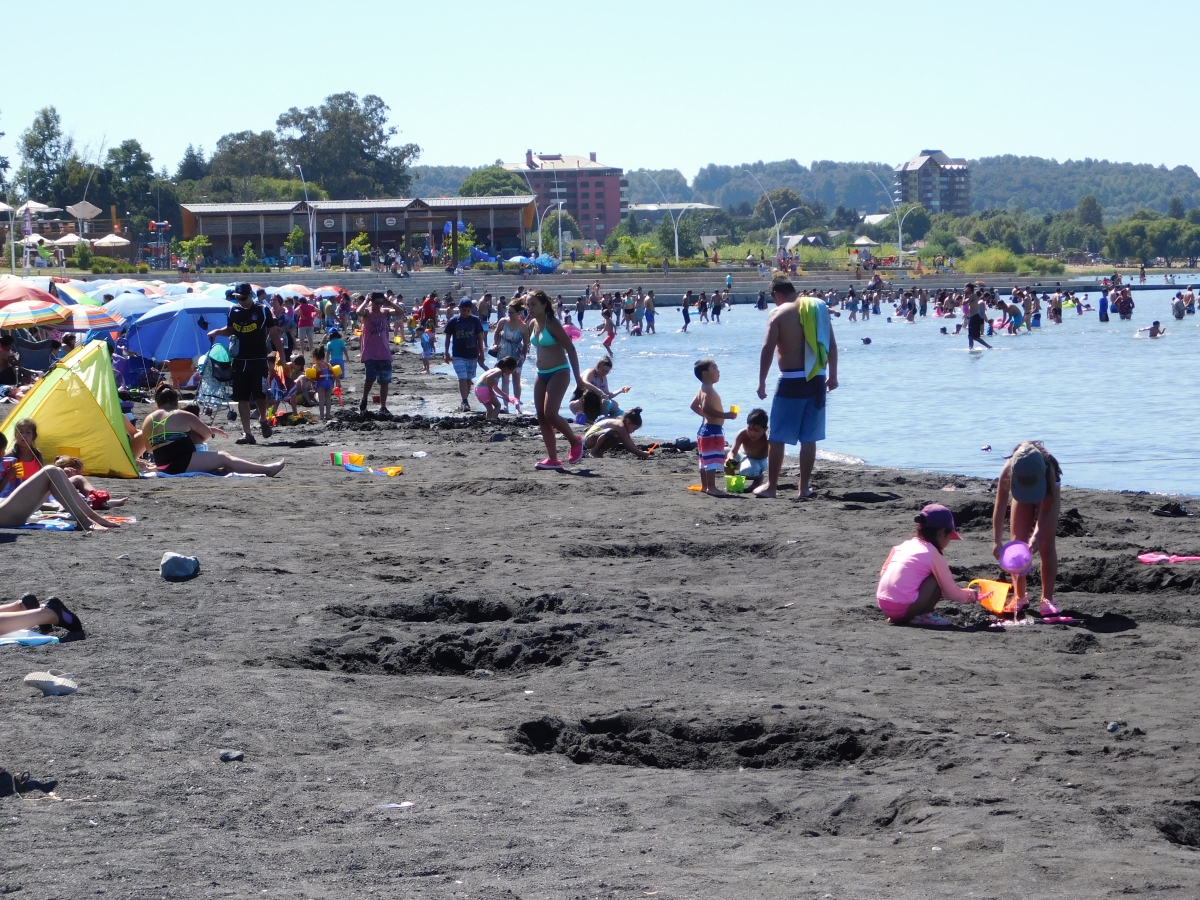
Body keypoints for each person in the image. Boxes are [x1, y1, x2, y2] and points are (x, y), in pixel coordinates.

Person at [753, 275, 838, 499]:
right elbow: (831, 345)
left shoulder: (779, 313)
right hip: (817, 379)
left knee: (778, 437)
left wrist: (761, 381)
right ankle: (804, 488)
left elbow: (767, 349)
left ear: (777, 294)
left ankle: (771, 487)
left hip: (791, 380)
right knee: (809, 437)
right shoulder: (818, 309)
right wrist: (833, 376)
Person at [141, 385, 284, 477]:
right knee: (224, 457)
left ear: (158, 403)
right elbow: (207, 434)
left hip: (162, 464)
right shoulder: (182, 415)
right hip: (179, 464)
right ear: (176, 402)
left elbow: (149, 449)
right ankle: (266, 470)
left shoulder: (148, 420)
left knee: (215, 459)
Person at [876, 504, 981, 627]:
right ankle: (922, 616)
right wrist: (973, 595)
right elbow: (951, 593)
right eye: (949, 536)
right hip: (903, 608)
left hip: (883, 603)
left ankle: (898, 616)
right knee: (936, 579)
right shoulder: (932, 553)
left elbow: (884, 571)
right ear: (942, 533)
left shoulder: (903, 545)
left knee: (920, 576)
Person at [207, 283, 284, 444]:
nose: (241, 301)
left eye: (243, 298)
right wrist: (217, 332)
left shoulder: (262, 310)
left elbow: (273, 333)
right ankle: (247, 433)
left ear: (250, 295)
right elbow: (230, 330)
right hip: (239, 360)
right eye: (238, 298)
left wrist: (281, 355)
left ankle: (263, 419)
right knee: (241, 397)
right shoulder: (233, 311)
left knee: (260, 395)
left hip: (258, 359)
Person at [991, 441, 1062, 617]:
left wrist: (1037, 535)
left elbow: (1046, 508)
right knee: (1018, 542)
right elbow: (1000, 507)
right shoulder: (1009, 470)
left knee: (1046, 543)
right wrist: (997, 541)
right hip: (1021, 488)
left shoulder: (1049, 471)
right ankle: (1019, 596)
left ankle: (1047, 599)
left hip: (1046, 492)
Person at [527, 289, 594, 470]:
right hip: (541, 373)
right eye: (527, 304)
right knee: (541, 416)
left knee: (550, 413)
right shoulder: (533, 323)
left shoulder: (553, 323)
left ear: (543, 305)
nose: (529, 308)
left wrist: (578, 378)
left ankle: (575, 441)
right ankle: (553, 459)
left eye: (533, 304)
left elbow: (571, 349)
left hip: (559, 371)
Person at [0, 462, 124, 531]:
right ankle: (84, 520)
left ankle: (91, 516)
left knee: (56, 471)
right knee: (51, 471)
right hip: (4, 516)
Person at [690, 359, 737, 495]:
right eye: (714, 368)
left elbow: (693, 406)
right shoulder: (709, 390)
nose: (718, 371)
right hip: (712, 431)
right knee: (711, 460)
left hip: (704, 430)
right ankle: (711, 487)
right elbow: (706, 407)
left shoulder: (702, 388)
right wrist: (725, 415)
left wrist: (705, 417)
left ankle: (705, 486)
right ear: (705, 373)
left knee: (704, 459)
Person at [356, 292, 398, 415]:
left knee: (384, 380)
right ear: (372, 302)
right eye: (376, 303)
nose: (379, 305)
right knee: (370, 378)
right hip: (370, 352)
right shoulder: (367, 313)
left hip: (384, 352)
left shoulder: (385, 312)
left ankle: (383, 406)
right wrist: (366, 301)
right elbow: (358, 312)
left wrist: (389, 303)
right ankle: (364, 398)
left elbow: (400, 312)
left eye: (381, 302)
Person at [444, 298, 487, 412]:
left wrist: (481, 353)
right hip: (458, 354)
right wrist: (446, 352)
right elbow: (448, 337)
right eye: (464, 310)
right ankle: (464, 401)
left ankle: (465, 400)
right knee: (462, 377)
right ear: (459, 309)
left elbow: (479, 337)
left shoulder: (475, 321)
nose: (466, 313)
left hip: (472, 354)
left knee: (468, 379)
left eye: (468, 310)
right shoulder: (453, 321)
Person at [493, 298, 531, 411]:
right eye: (508, 312)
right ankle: (505, 405)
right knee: (505, 379)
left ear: (518, 313)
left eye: (511, 312)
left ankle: (517, 405)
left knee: (516, 380)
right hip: (503, 353)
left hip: (517, 355)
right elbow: (496, 333)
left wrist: (524, 356)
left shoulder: (523, 326)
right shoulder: (503, 322)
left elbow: (526, 344)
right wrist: (495, 344)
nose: (508, 314)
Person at [724, 407, 770, 489]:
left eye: (756, 430)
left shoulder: (768, 438)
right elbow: (732, 451)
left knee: (746, 470)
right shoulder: (742, 433)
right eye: (750, 429)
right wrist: (730, 458)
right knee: (723, 454)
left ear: (765, 429)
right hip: (743, 455)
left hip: (759, 461)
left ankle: (759, 478)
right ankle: (735, 486)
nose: (752, 433)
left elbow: (774, 457)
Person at [582, 407, 649, 459]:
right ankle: (594, 451)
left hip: (596, 438)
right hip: (589, 439)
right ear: (628, 422)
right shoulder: (620, 425)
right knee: (611, 433)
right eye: (634, 429)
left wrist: (640, 452)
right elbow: (628, 446)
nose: (633, 431)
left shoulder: (623, 428)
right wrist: (641, 454)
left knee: (617, 436)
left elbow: (629, 442)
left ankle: (599, 452)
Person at [311, 347, 335, 420]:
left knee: (321, 400)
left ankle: (322, 416)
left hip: (321, 384)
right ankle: (328, 415)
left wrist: (312, 385)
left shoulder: (316, 366)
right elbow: (333, 375)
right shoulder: (328, 365)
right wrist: (332, 384)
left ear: (315, 357)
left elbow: (312, 377)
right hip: (329, 383)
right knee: (328, 400)